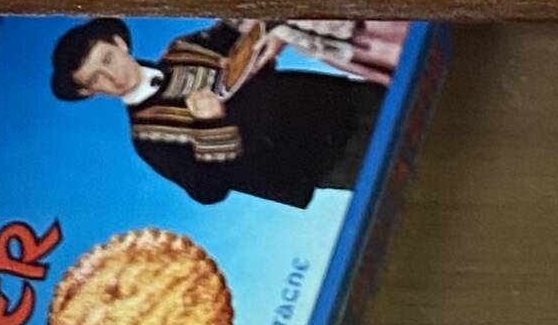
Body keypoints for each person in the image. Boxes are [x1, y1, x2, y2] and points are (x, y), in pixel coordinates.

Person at [48, 16, 381, 210]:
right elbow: (208, 191)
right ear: (90, 92)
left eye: (107, 60)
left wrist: (267, 37)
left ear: (120, 44)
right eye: (96, 79)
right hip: (317, 159)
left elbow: (243, 27)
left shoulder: (183, 48)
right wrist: (210, 126)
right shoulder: (147, 138)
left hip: (332, 98)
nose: (113, 77)